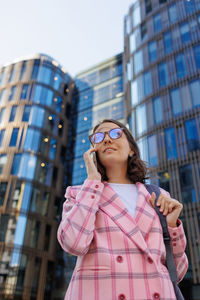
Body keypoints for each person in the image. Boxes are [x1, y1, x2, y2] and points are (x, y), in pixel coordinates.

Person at [57, 119, 188, 300]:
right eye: (99, 136)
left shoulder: (158, 196)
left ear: (131, 149)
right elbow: (73, 243)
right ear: (93, 150)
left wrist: (172, 225)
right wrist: (93, 182)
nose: (107, 139)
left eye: (115, 133)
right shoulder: (79, 194)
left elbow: (178, 272)